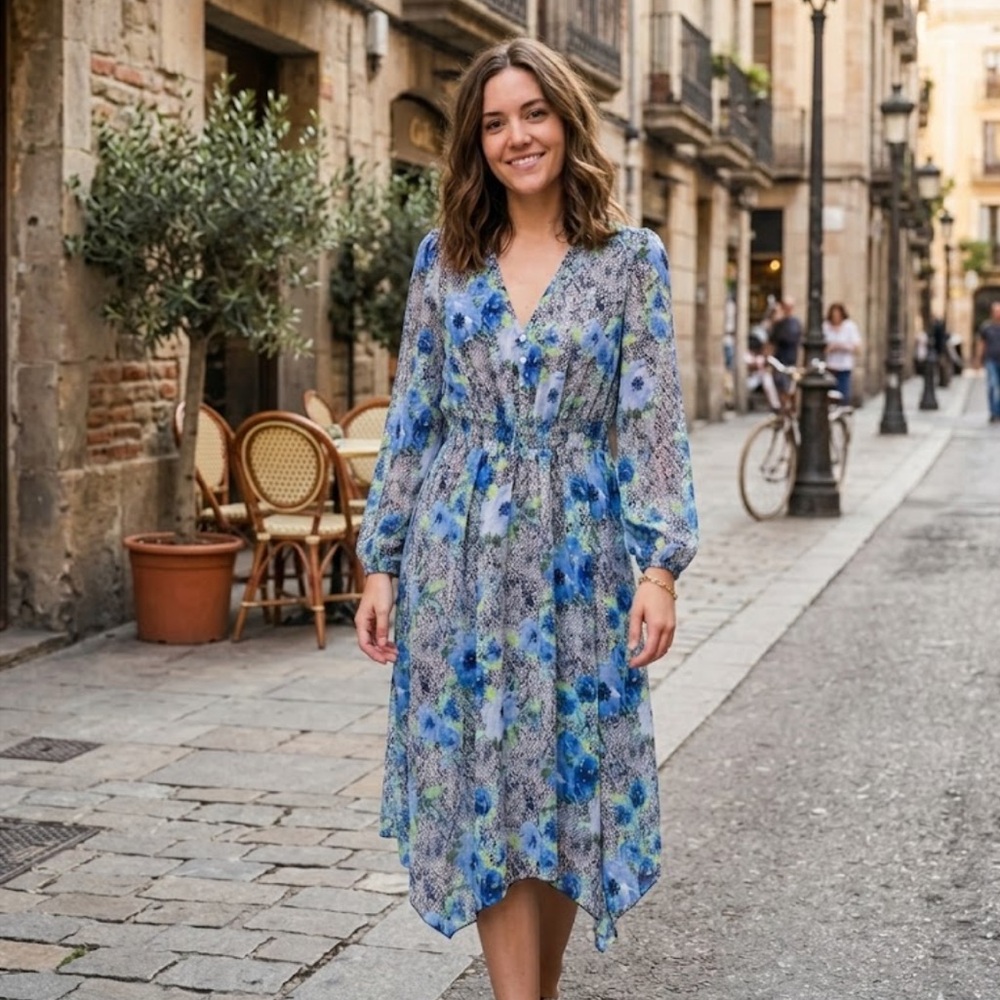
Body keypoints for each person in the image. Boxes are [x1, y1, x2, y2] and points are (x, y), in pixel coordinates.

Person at [353, 37, 698, 1000]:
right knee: (487, 788)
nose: (517, 137)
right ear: (477, 144)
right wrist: (380, 559)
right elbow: (413, 418)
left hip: (581, 563)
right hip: (456, 563)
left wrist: (660, 569)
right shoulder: (444, 260)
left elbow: (652, 424)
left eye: (533, 114)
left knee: (561, 784)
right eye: (495, 123)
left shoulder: (629, 262)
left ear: (566, 121)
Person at [822, 302, 862, 402]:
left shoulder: (850, 326)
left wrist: (842, 346)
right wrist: (830, 348)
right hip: (830, 366)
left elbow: (857, 347)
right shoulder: (825, 326)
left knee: (843, 395)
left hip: (844, 367)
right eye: (834, 315)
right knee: (829, 395)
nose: (836, 318)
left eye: (838, 315)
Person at [766, 297, 802, 403]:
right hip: (779, 360)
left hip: (791, 360)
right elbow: (771, 341)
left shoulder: (796, 323)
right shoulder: (778, 323)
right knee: (780, 387)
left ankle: (789, 408)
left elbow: (798, 342)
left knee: (791, 388)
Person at [974, 300, 1000, 423]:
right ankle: (993, 412)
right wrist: (978, 359)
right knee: (992, 385)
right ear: (992, 313)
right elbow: (981, 344)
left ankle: (998, 411)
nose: (998, 313)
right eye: (996, 311)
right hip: (991, 360)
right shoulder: (986, 327)